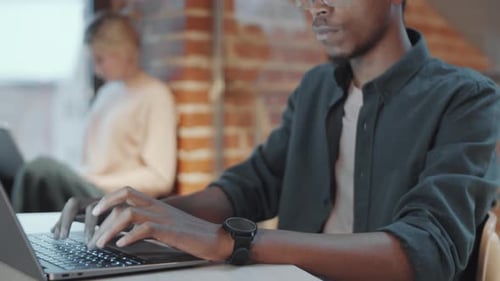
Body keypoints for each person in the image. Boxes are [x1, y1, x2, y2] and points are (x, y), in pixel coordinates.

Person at [52, 1, 500, 280]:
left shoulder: (468, 99)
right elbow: (251, 186)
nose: (315, 7)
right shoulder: (316, 88)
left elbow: (427, 251)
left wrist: (234, 242)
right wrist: (135, 212)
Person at [11, 12, 177, 212]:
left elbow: (160, 177)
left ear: (123, 52)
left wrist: (94, 180)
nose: (97, 70)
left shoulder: (155, 95)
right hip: (89, 189)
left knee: (40, 169)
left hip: (114, 198)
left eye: (100, 60)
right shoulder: (107, 93)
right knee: (15, 175)